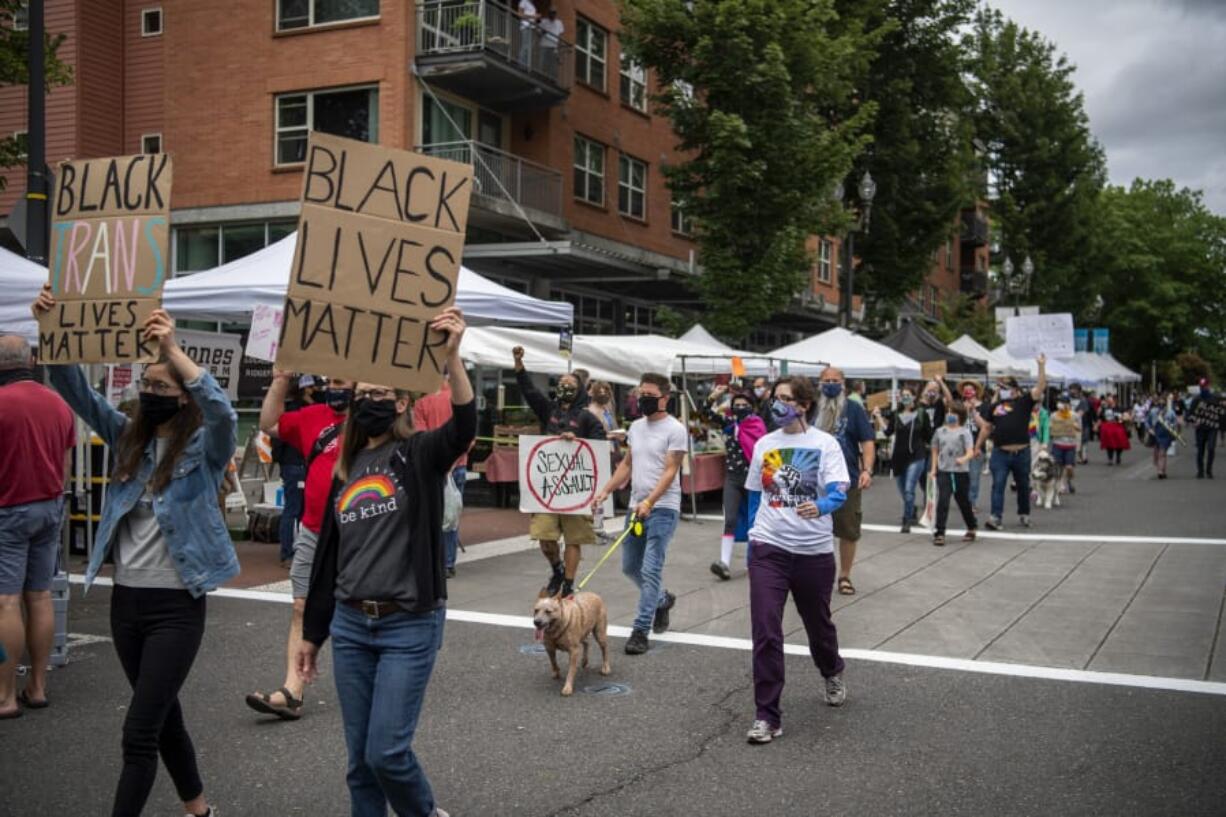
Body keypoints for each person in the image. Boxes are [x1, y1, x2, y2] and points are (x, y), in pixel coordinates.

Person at [33, 286, 233, 817]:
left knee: (138, 733)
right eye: (145, 382)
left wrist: (171, 351)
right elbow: (79, 394)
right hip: (127, 606)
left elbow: (223, 413)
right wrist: (54, 329)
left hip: (175, 608)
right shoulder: (128, 439)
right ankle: (200, 810)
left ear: (183, 394)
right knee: (164, 719)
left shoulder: (203, 449)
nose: (150, 390)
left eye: (160, 384)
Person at [297, 307, 474, 817]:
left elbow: (464, 427)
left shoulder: (417, 455)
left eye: (381, 394)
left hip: (408, 625)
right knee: (359, 763)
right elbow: (329, 558)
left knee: (387, 753)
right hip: (352, 624)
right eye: (363, 395)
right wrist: (313, 633)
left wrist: (452, 358)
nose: (371, 401)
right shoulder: (344, 468)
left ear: (401, 402)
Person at [743, 376, 850, 744]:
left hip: (813, 553)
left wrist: (819, 505)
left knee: (818, 626)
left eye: (786, 399)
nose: (778, 404)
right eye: (775, 398)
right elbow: (754, 496)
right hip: (768, 548)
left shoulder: (825, 444)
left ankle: (831, 669)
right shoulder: (764, 444)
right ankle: (767, 716)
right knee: (766, 630)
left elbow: (839, 492)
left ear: (803, 405)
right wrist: (750, 542)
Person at [247, 370, 354, 721]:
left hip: (359, 533)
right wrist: (281, 381)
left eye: (347, 384)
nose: (340, 389)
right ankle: (292, 691)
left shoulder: (373, 421)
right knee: (300, 606)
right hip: (313, 529)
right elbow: (269, 423)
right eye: (336, 383)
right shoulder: (313, 417)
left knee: (360, 608)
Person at [0, 335, 74, 719]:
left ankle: (5, 695)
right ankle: (38, 686)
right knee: (40, 596)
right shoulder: (58, 404)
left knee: (6, 601)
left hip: (8, 509)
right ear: (29, 360)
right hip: (50, 506)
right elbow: (64, 460)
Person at [592, 373, 686, 655]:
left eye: (648, 394)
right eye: (640, 393)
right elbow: (627, 464)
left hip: (663, 508)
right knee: (629, 566)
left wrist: (651, 501)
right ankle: (661, 599)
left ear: (665, 398)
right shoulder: (635, 427)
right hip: (636, 506)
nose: (642, 398)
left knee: (650, 568)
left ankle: (640, 630)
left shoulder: (675, 429)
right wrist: (606, 490)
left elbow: (671, 471)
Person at [514, 346, 606, 598]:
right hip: (548, 488)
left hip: (576, 489)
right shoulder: (549, 411)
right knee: (545, 537)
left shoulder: (588, 419)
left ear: (578, 391)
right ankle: (556, 567)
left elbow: (600, 449)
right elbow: (530, 391)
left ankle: (568, 582)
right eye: (561, 383)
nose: (564, 388)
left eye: (570, 385)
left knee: (574, 539)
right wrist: (519, 364)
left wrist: (577, 441)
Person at [812, 367, 875, 596]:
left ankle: (844, 576)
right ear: (819, 383)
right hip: (812, 480)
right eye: (826, 380)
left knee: (848, 529)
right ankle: (816, 575)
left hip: (845, 479)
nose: (830, 384)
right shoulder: (811, 408)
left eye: (834, 380)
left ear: (843, 383)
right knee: (814, 528)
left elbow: (867, 441)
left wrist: (867, 470)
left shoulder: (853, 409)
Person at [974, 356, 1047, 531]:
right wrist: (977, 447)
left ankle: (1024, 514)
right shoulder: (995, 407)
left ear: (1015, 389)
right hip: (1000, 453)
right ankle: (995, 517)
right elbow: (986, 428)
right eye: (1000, 388)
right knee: (997, 484)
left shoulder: (1024, 402)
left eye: (1006, 387)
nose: (1002, 390)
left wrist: (1041, 366)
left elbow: (1040, 387)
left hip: (1021, 452)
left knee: (1023, 485)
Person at [413, 378, 474, 578]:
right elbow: (469, 437)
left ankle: (433, 561)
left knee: (431, 515)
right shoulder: (458, 400)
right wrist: (453, 462)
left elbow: (419, 437)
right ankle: (448, 562)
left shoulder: (422, 403)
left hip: (431, 466)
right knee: (451, 517)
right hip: (458, 466)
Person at [706, 384, 767, 580]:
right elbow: (707, 414)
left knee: (754, 522)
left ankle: (753, 561)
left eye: (744, 404)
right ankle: (724, 563)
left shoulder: (758, 425)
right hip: (732, 478)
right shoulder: (730, 425)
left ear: (752, 407)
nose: (740, 407)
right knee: (730, 519)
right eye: (737, 404)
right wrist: (713, 397)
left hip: (753, 479)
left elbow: (765, 453)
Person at [873, 386, 931, 533]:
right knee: (903, 490)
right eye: (903, 395)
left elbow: (928, 436)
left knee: (909, 489)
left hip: (917, 456)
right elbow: (887, 432)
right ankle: (911, 509)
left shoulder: (921, 413)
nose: (905, 397)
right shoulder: (896, 414)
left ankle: (906, 521)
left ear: (914, 397)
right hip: (899, 457)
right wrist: (878, 416)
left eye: (908, 395)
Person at [272, 376, 312, 566]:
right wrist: (284, 462)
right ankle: (287, 553)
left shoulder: (307, 410)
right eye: (314, 389)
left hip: (299, 465)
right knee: (293, 509)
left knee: (301, 509)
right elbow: (278, 438)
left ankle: (297, 551)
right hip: (295, 465)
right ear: (306, 390)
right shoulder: (296, 412)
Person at [928, 403, 978, 547]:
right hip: (944, 470)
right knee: (943, 500)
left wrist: (963, 459)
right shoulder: (940, 431)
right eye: (948, 412)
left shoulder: (965, 432)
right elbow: (935, 449)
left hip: (961, 472)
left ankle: (971, 526)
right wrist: (933, 468)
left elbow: (970, 451)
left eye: (954, 413)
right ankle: (940, 532)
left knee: (963, 502)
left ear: (960, 416)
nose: (950, 415)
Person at [955, 380, 985, 506]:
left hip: (976, 446)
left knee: (974, 477)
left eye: (971, 389)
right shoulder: (958, 406)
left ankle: (971, 502)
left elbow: (985, 426)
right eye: (965, 390)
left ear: (976, 391)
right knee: (960, 477)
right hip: (960, 446)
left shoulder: (984, 406)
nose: (968, 392)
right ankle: (963, 499)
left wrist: (973, 411)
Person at [1049, 394, 1082, 493]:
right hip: (1057, 444)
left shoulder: (1074, 415)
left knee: (1069, 467)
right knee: (1058, 466)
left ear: (1069, 404)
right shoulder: (1054, 415)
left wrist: (1075, 426)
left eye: (1064, 403)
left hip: (1070, 445)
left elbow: (1080, 428)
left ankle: (1069, 480)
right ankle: (1061, 485)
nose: (1062, 405)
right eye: (1060, 403)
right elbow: (1050, 428)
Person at [1188, 378, 1220, 479]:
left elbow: (1220, 413)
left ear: (1208, 386)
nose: (1203, 388)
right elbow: (1190, 413)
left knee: (1211, 448)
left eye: (1205, 386)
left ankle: (1209, 470)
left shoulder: (1215, 398)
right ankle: (1200, 471)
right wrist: (1193, 421)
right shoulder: (1196, 399)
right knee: (1200, 450)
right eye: (1202, 387)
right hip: (1200, 428)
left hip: (1212, 428)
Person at [1146, 397, 1180, 479]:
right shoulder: (1153, 412)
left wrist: (1175, 432)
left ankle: (1160, 471)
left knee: (1162, 453)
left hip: (1166, 435)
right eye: (1159, 404)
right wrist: (1149, 429)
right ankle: (1163, 471)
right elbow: (1147, 422)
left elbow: (1175, 423)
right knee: (1157, 453)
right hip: (1156, 434)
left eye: (1163, 404)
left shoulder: (1171, 412)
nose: (1161, 406)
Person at [538, 7, 564, 80]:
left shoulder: (559, 23)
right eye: (551, 13)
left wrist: (559, 50)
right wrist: (543, 32)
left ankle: (552, 80)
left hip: (554, 46)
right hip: (544, 45)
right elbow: (538, 33)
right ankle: (541, 78)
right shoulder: (543, 21)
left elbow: (560, 37)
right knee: (543, 63)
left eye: (554, 13)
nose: (552, 15)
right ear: (548, 14)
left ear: (556, 14)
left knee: (553, 65)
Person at [1069, 383, 1092, 464]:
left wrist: (1074, 416)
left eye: (1073, 389)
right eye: (1071, 389)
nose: (1072, 391)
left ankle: (1083, 457)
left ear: (1078, 390)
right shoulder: (1068, 399)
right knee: (1074, 441)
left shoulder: (1083, 400)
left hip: (1083, 423)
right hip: (1071, 423)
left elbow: (1082, 412)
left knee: (1083, 441)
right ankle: (1079, 457)